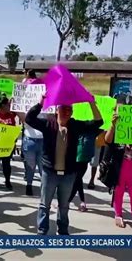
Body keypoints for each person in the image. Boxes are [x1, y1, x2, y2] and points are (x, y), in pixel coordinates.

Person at [26, 96, 102, 235]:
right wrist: (41, 102)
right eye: (63, 109)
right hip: (49, 172)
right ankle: (42, 230)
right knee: (44, 204)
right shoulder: (49, 124)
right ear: (57, 110)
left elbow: (98, 122)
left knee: (64, 206)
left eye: (70, 109)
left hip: (68, 174)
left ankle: (63, 230)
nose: (67, 112)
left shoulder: (75, 126)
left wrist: (91, 103)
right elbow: (29, 119)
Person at [105, 113, 132, 229]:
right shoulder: (119, 133)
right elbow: (107, 140)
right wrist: (112, 125)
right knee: (119, 193)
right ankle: (118, 215)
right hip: (121, 170)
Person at [68, 129, 101, 212]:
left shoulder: (93, 129)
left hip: (83, 159)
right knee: (78, 180)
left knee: (77, 180)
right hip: (74, 157)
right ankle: (82, 202)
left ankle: (68, 201)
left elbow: (102, 127)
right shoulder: (77, 126)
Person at [0, 96, 16, 190]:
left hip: (7, 144)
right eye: (8, 105)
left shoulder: (11, 115)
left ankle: (7, 180)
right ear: (3, 105)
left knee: (6, 164)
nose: (10, 106)